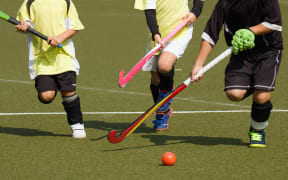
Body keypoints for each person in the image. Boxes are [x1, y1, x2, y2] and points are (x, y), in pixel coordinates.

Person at [190, 0, 283, 147]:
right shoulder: (224, 3)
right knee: (234, 94)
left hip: (268, 51)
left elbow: (275, 24)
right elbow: (210, 33)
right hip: (240, 52)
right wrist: (198, 64)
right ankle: (259, 87)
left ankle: (257, 130)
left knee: (262, 95)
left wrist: (250, 30)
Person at [15, 0, 86, 138]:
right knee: (46, 96)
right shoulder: (30, 2)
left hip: (63, 55)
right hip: (41, 57)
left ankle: (77, 125)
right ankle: (48, 89)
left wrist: (59, 38)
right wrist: (24, 27)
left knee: (68, 90)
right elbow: (25, 23)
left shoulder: (66, 2)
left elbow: (74, 27)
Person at [134, 0, 205, 131]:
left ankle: (162, 111)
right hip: (157, 36)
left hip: (180, 31)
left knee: (164, 65)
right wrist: (156, 34)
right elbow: (149, 12)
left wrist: (195, 12)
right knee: (156, 79)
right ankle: (162, 107)